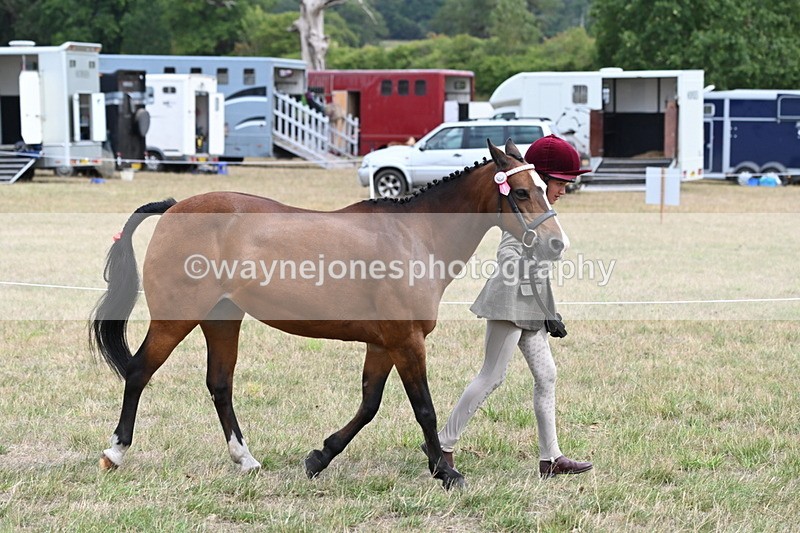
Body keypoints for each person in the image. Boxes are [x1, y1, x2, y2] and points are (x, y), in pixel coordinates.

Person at [435, 134, 593, 479]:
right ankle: (442, 444)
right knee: (491, 376)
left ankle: (551, 458)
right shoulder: (522, 214)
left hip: (531, 307)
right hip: (509, 303)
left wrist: (548, 312)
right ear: (541, 178)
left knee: (547, 375)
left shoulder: (541, 213)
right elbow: (508, 255)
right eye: (561, 183)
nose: (564, 190)